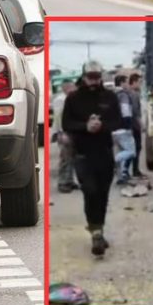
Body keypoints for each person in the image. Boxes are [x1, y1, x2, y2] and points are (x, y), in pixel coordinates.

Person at [62, 61, 122, 257]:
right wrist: (85, 126)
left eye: (97, 77)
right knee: (90, 191)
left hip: (104, 152)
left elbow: (118, 121)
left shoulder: (110, 97)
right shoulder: (73, 98)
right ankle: (95, 232)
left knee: (102, 194)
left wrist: (101, 126)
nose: (94, 81)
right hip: (82, 154)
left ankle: (99, 229)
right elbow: (66, 123)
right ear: (84, 77)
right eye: (90, 77)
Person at [52, 80, 79, 193]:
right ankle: (63, 183)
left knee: (71, 158)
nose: (75, 89)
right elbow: (58, 117)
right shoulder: (61, 100)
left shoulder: (71, 99)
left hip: (71, 132)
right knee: (65, 159)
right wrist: (61, 133)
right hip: (64, 133)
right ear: (66, 88)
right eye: (72, 87)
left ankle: (69, 181)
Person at [128, 73, 145, 177]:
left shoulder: (130, 93)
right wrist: (141, 124)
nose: (140, 84)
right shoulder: (134, 94)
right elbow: (135, 111)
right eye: (139, 82)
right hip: (134, 126)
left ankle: (132, 170)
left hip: (131, 125)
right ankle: (135, 170)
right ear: (133, 82)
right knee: (137, 148)